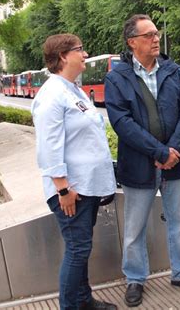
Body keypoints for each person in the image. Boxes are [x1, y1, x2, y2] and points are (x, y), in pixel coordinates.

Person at [104, 14, 180, 307]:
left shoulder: (173, 71)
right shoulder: (117, 77)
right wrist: (158, 152)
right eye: (148, 35)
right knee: (134, 228)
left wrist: (172, 149)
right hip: (140, 165)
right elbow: (122, 123)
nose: (155, 39)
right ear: (132, 42)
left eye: (156, 34)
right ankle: (135, 278)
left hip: (175, 162)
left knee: (179, 223)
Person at [32, 34, 117, 310]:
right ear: (63, 57)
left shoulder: (74, 90)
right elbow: (49, 147)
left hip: (86, 187)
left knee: (81, 249)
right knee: (77, 250)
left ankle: (84, 301)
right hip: (71, 191)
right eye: (80, 49)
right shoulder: (52, 95)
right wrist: (63, 189)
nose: (85, 53)